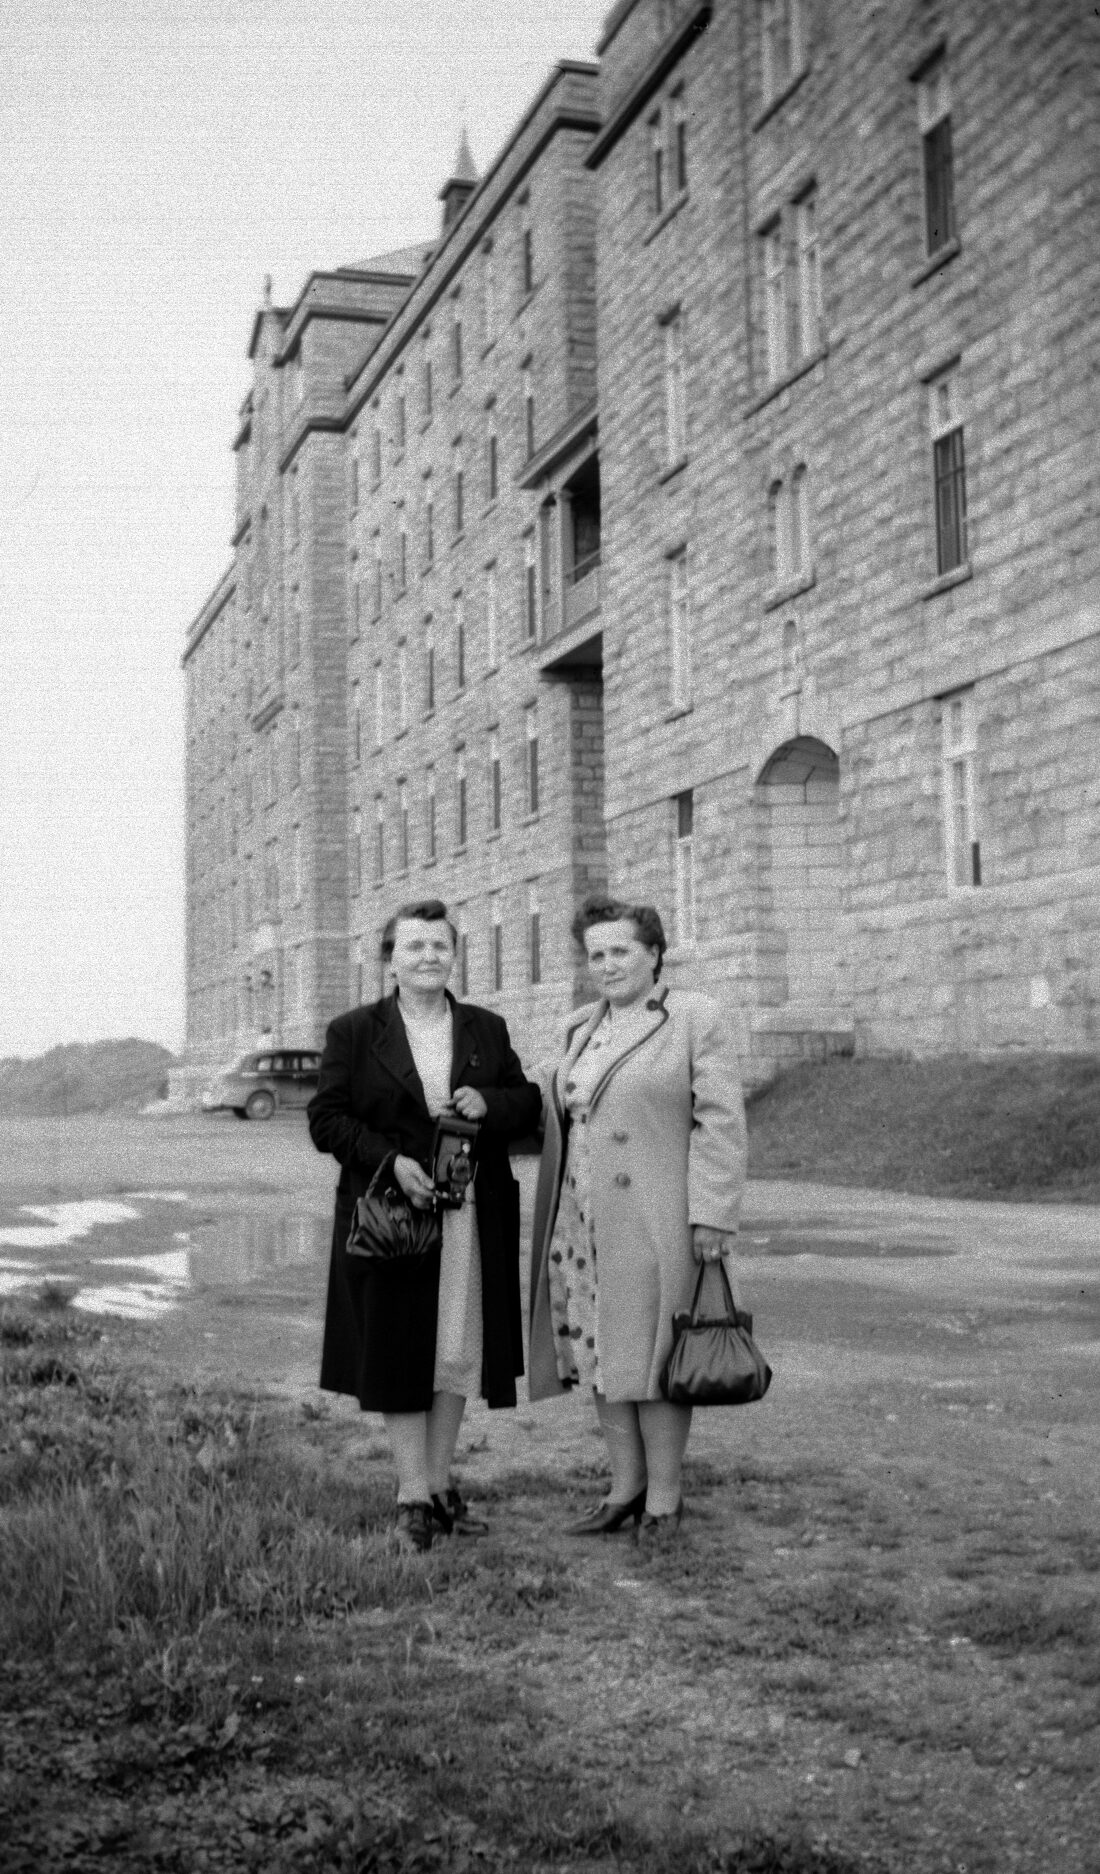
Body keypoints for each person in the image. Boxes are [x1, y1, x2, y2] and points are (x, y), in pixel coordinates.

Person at [309, 899, 541, 1553]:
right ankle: (411, 1494)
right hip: (391, 1218)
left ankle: (440, 1488)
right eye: (414, 947)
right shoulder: (354, 1033)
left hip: (469, 1215)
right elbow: (326, 1119)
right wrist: (391, 1161)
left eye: (439, 945)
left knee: (456, 1348)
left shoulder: (486, 1029)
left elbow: (527, 1102)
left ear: (453, 953)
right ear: (390, 959)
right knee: (399, 1349)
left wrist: (487, 1102)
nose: (428, 957)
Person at [528, 894, 747, 1537]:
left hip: (657, 1218)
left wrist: (713, 1214)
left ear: (654, 954)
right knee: (602, 1354)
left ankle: (664, 1501)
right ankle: (625, 1489)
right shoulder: (580, 1027)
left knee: (656, 1357)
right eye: (596, 954)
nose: (608, 965)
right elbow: (553, 1102)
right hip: (582, 1218)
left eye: (621, 950)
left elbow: (721, 1121)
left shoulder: (690, 1018)